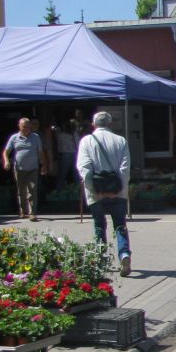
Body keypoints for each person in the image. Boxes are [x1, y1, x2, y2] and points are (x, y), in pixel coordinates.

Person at [77, 111, 133, 277]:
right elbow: (125, 168)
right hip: (118, 192)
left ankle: (101, 260)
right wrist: (119, 189)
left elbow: (84, 168)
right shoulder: (121, 140)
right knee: (120, 226)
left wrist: (94, 190)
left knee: (99, 226)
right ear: (110, 124)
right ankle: (124, 254)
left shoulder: (86, 141)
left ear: (94, 124)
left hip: (96, 193)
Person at [3, 117, 47, 221]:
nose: (26, 128)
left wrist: (44, 165)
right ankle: (22, 210)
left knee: (32, 190)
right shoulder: (14, 138)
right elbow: (6, 151)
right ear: (19, 126)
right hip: (19, 168)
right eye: (24, 126)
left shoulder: (35, 137)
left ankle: (32, 213)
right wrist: (6, 161)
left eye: (28, 126)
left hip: (33, 168)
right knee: (21, 190)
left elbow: (40, 152)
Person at [54, 122, 78, 187]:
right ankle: (79, 189)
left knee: (62, 174)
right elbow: (78, 143)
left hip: (65, 154)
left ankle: (59, 189)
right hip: (75, 154)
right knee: (76, 173)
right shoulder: (74, 134)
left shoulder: (60, 135)